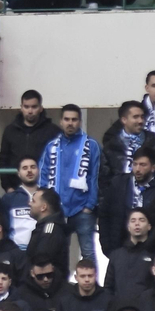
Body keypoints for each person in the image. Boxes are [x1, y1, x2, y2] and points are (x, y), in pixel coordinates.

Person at [37, 104, 101, 264]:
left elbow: (95, 176)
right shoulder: (51, 147)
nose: (70, 123)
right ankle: (61, 288)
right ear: (61, 122)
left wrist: (90, 206)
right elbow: (43, 176)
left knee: (88, 254)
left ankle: (91, 287)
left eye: (74, 119)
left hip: (82, 210)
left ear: (79, 122)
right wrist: (47, 206)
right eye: (67, 119)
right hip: (57, 210)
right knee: (57, 253)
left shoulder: (91, 145)